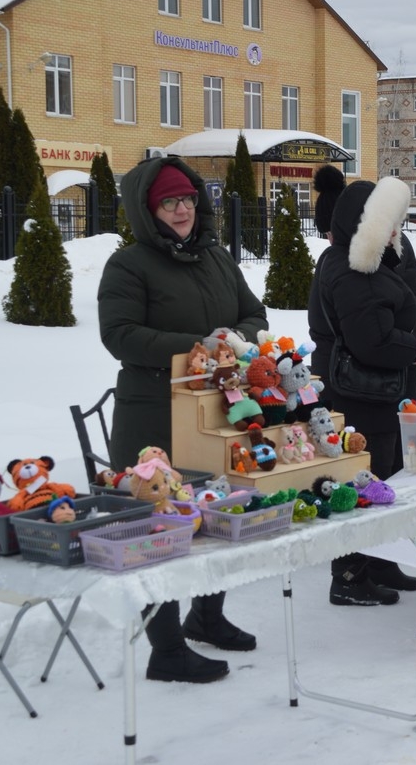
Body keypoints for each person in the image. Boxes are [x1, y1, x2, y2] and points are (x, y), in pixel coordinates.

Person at [98, 157, 267, 683]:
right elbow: (119, 334)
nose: (181, 210)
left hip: (214, 409)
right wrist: (197, 347)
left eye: (188, 199)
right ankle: (166, 649)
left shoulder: (216, 257)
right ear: (148, 210)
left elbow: (254, 314)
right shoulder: (129, 265)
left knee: (215, 511)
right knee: (158, 528)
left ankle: (206, 617)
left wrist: (235, 340)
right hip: (151, 415)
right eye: (169, 202)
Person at [309, 173, 416, 606]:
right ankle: (349, 575)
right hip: (360, 393)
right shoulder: (353, 270)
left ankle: (378, 561)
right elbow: (371, 340)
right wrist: (412, 350)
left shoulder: (356, 261)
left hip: (371, 393)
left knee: (382, 476)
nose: (395, 231)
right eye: (387, 222)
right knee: (362, 480)